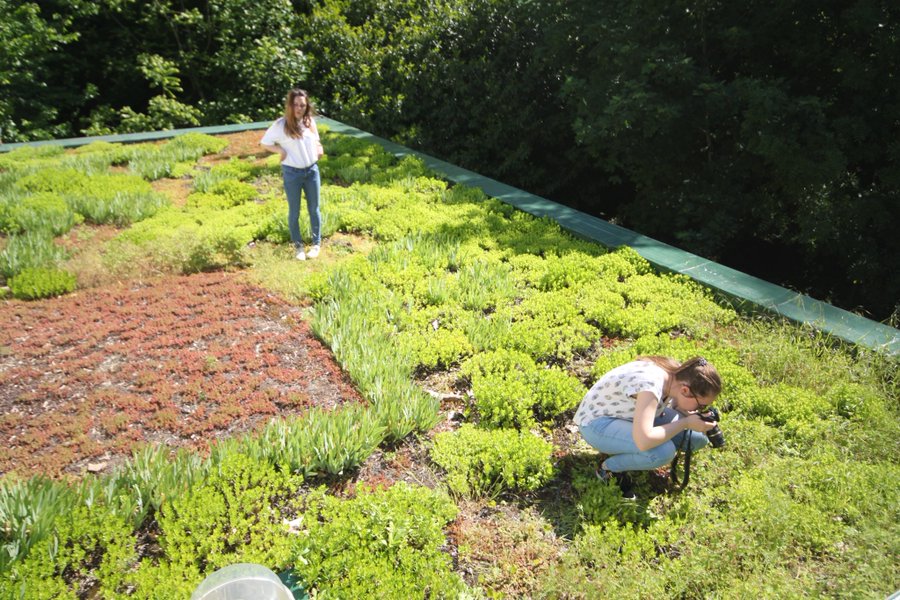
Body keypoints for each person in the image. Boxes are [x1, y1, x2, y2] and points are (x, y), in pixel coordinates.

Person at [574, 356, 722, 494]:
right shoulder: (650, 387)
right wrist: (685, 423)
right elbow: (644, 441)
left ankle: (626, 448)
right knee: (663, 451)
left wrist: (687, 414)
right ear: (685, 390)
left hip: (628, 415)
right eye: (700, 405)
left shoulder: (677, 376)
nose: (699, 410)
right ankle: (608, 469)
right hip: (596, 424)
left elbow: (675, 400)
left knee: (696, 439)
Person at [261, 88, 325, 261]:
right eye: (296, 104)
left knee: (314, 209)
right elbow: (264, 143)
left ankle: (316, 244)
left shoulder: (309, 122)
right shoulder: (280, 125)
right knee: (294, 211)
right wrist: (279, 149)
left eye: (302, 105)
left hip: (312, 171)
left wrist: (319, 148)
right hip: (292, 174)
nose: (299, 108)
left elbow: (316, 140)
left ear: (307, 106)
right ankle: (298, 247)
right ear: (290, 105)